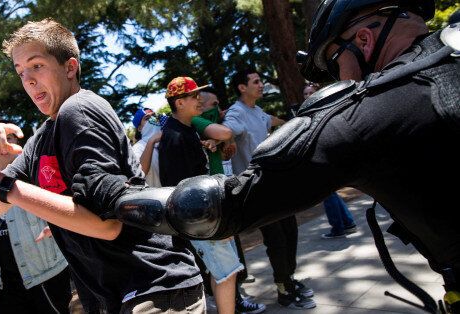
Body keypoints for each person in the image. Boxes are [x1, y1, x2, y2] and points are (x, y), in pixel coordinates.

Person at [88, 0, 458, 312]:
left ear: (363, 39)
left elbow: (218, 205)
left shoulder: (370, 110)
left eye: (332, 64)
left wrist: (109, 193)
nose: (335, 79)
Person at [0, 19, 203, 313]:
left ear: (70, 67)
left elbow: (107, 225)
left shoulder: (78, 111)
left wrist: (5, 186)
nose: (27, 79)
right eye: (20, 72)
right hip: (121, 294)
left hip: (153, 287)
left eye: (36, 65)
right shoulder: (43, 136)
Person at [223, 69, 314, 309]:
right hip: (256, 188)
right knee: (276, 239)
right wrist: (223, 136)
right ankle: (284, 290)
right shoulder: (236, 112)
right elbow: (230, 128)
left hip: (275, 183)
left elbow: (270, 121)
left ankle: (289, 279)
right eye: (256, 82)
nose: (262, 85)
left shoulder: (257, 111)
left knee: (290, 231)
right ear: (242, 88)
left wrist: (295, 123)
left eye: (261, 81)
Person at [0, 129, 72, 314]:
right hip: (4, 281)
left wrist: (57, 224)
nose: (0, 144)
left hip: (43, 273)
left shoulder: (36, 170)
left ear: (18, 145)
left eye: (7, 139)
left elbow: (67, 201)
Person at [188, 86, 266, 314]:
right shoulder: (198, 123)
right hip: (211, 204)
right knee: (226, 268)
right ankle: (234, 303)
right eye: (213, 105)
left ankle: (233, 301)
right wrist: (222, 137)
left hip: (218, 197)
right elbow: (225, 132)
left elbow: (222, 142)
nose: (219, 111)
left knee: (225, 265)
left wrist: (219, 147)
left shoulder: (198, 128)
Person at [300, 84, 358, 239]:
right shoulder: (308, 112)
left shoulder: (320, 110)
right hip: (321, 157)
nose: (308, 95)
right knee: (331, 192)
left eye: (311, 92)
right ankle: (348, 222)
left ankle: (338, 228)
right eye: (305, 93)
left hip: (325, 157)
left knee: (327, 194)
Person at [131, 107, 164, 187]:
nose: (152, 119)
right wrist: (151, 141)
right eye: (147, 118)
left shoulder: (165, 144)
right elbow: (139, 175)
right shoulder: (137, 148)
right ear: (139, 128)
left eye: (154, 116)